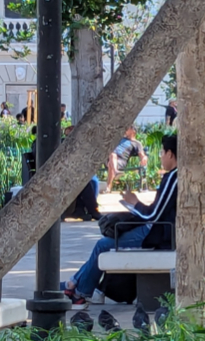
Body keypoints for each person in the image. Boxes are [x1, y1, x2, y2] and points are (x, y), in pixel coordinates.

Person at [65, 135, 179, 308]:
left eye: (162, 153)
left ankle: (79, 292)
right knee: (107, 240)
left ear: (171, 154)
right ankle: (75, 284)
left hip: (158, 233)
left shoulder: (173, 178)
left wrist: (135, 203)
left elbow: (153, 216)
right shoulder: (173, 176)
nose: (161, 157)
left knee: (103, 244)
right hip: (156, 228)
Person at [106, 125, 148, 192]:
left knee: (112, 158)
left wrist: (144, 158)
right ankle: (116, 172)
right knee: (112, 156)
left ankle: (108, 187)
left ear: (133, 131)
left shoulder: (137, 143)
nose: (126, 129)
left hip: (121, 161)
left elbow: (142, 155)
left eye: (128, 128)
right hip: (109, 158)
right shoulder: (120, 138)